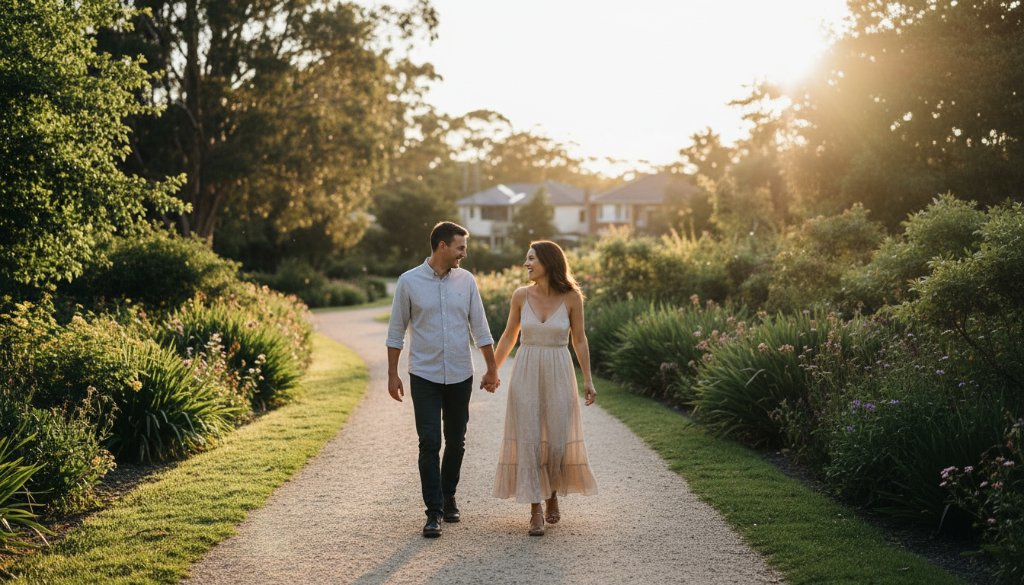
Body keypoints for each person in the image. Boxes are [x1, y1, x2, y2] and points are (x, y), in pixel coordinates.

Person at [386, 221, 501, 538]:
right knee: (429, 443)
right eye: (460, 247)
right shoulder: (408, 282)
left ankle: (449, 493)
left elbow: (480, 328)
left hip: (460, 374)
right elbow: (396, 332)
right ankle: (434, 511)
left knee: (456, 440)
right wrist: (392, 374)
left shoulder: (467, 281)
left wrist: (492, 368)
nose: (464, 253)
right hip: (424, 374)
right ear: (442, 246)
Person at [491, 240, 598, 536]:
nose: (526, 264)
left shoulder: (572, 297)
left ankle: (552, 495)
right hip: (526, 370)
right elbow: (509, 336)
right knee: (529, 437)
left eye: (531, 259)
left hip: (559, 371)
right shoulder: (520, 296)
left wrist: (588, 379)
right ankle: (535, 509)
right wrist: (492, 370)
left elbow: (579, 340)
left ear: (548, 262)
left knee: (557, 438)